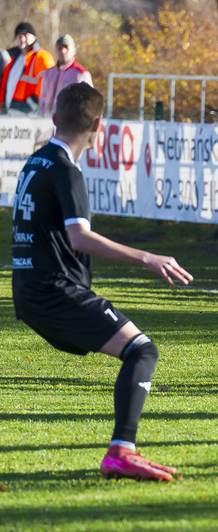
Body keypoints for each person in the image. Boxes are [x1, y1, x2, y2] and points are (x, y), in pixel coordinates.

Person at [11, 83, 194, 481]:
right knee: (142, 351)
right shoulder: (66, 170)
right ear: (99, 125)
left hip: (30, 290)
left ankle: (122, 451)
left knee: (138, 350)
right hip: (54, 292)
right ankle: (120, 453)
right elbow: (79, 237)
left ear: (55, 118)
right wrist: (147, 257)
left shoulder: (35, 161)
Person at [1, 22, 56, 115]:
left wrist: (32, 103)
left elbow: (49, 83)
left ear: (34, 37)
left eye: (25, 35)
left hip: (31, 114)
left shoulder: (42, 57)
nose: (22, 39)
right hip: (11, 111)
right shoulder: (13, 59)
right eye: (19, 36)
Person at [38, 34, 93, 118]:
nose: (62, 51)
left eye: (66, 47)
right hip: (47, 121)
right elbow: (42, 99)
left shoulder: (80, 74)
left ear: (74, 50)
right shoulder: (48, 73)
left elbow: (89, 102)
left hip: (69, 124)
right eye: (59, 48)